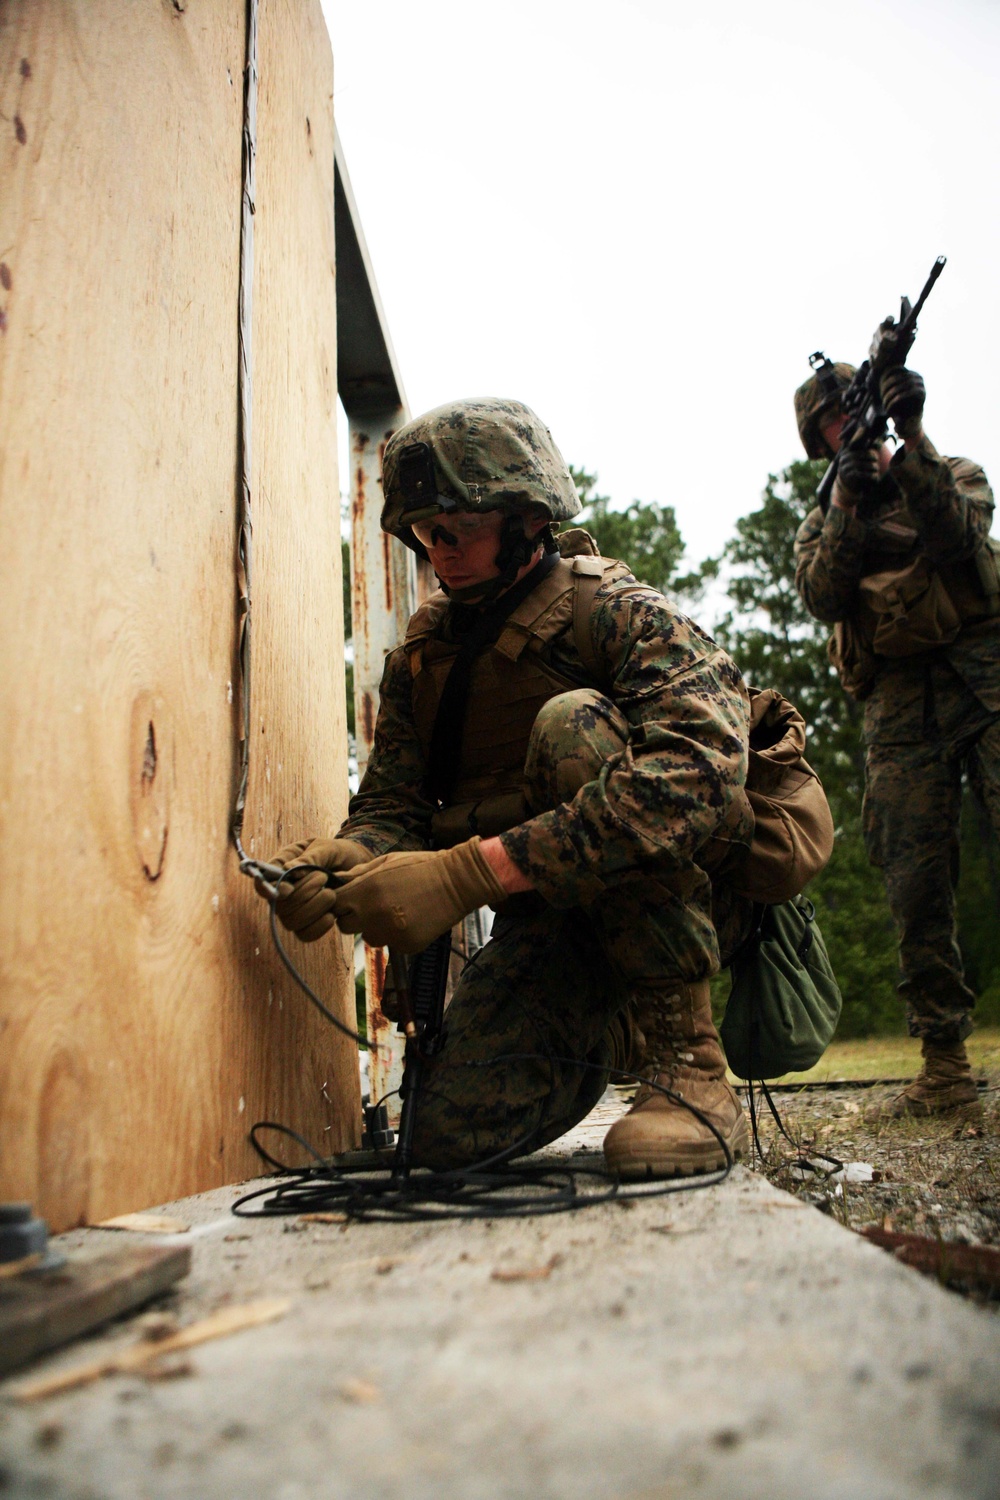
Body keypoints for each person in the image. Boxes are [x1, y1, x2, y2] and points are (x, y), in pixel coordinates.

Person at [265, 398, 754, 1177]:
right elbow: (396, 804)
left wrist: (464, 876)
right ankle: (610, 1017)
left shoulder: (617, 613)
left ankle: (687, 1063)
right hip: (550, 918)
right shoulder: (422, 661)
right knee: (444, 1139)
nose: (441, 552)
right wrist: (353, 858)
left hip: (686, 898)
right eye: (427, 534)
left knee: (571, 727)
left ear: (528, 517)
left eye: (460, 528)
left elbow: (698, 773)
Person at [793, 359, 999, 1119]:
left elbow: (959, 536)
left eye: (853, 415)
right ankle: (944, 1066)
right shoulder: (825, 520)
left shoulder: (948, 472)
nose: (845, 431)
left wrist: (910, 438)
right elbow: (821, 591)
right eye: (830, 427)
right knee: (915, 887)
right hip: (899, 715)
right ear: (820, 445)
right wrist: (849, 494)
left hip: (988, 686)